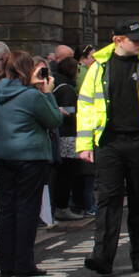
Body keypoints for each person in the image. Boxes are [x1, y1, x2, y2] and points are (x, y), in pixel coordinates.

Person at [78, 19, 139, 276]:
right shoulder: (98, 67)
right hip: (108, 142)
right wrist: (84, 144)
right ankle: (103, 256)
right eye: (134, 39)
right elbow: (86, 106)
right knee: (108, 200)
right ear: (118, 40)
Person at [0, 51, 63, 277]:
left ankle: (7, 263)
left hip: (2, 154)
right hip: (29, 156)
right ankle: (24, 263)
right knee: (26, 208)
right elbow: (54, 119)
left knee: (7, 208)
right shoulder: (32, 96)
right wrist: (48, 93)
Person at [50, 55, 85, 221]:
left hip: (63, 136)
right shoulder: (67, 90)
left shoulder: (58, 86)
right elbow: (69, 113)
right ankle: (62, 207)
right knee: (67, 173)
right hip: (68, 137)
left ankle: (62, 205)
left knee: (64, 173)